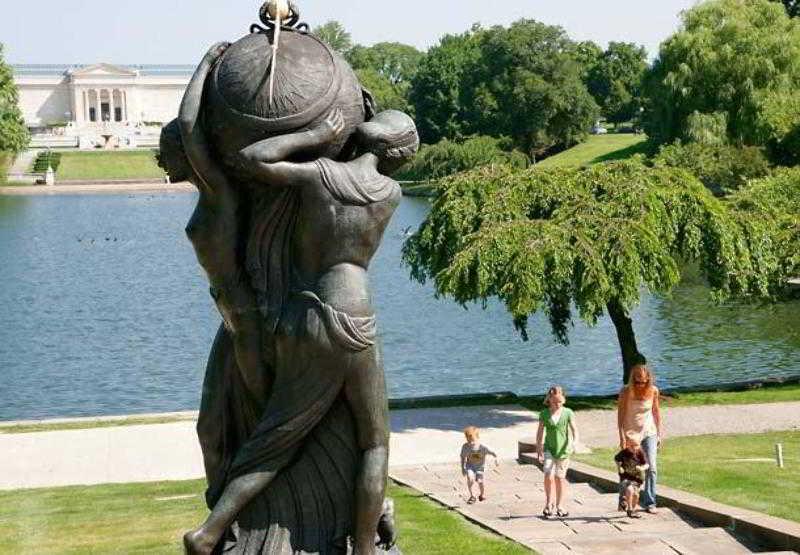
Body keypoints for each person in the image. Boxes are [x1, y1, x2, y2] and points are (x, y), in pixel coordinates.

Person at [183, 104, 419, 555]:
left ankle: (210, 530)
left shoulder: (320, 174)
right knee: (374, 440)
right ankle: (365, 549)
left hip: (309, 314)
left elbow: (255, 159)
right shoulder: (390, 193)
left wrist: (311, 133)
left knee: (276, 440)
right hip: (358, 315)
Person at [617, 363, 663, 514]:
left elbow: (656, 412)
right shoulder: (625, 391)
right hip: (631, 434)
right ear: (633, 380)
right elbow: (621, 415)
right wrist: (622, 437)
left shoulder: (653, 391)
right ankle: (623, 499)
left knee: (651, 467)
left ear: (648, 379)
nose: (640, 384)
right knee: (629, 469)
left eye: (643, 381)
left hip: (649, 432)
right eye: (637, 381)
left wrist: (659, 434)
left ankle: (650, 502)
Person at [536, 385, 579, 518]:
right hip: (549, 448)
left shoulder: (568, 413)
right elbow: (540, 432)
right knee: (548, 473)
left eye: (560, 401)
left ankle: (560, 505)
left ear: (564, 400)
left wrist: (574, 443)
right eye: (554, 402)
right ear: (549, 400)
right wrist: (539, 448)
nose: (557, 404)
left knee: (560, 478)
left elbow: (574, 430)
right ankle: (549, 503)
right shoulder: (544, 414)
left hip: (564, 450)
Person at [459, 426, 498, 504]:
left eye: (472, 439)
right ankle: (472, 496)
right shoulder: (465, 447)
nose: (470, 442)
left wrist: (496, 460)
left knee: (480, 481)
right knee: (470, 478)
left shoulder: (482, 447)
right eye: (468, 439)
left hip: (480, 467)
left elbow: (493, 453)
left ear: (477, 437)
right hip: (470, 466)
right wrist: (463, 468)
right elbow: (463, 457)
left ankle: (482, 494)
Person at [614, 438, 649, 518]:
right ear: (627, 445)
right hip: (626, 477)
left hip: (637, 478)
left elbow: (647, 464)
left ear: (639, 445)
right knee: (629, 489)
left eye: (636, 446)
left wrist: (642, 468)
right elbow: (616, 459)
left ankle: (632, 509)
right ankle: (629, 509)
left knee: (636, 495)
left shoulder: (640, 452)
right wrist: (619, 466)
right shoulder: (623, 453)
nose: (634, 448)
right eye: (631, 446)